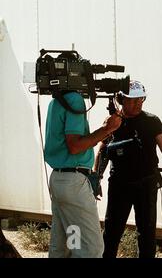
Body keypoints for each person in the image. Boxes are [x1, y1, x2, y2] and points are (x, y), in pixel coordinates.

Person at [100, 80, 162, 258]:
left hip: (146, 184)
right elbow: (103, 149)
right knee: (112, 232)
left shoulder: (151, 121)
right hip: (119, 184)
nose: (137, 104)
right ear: (121, 99)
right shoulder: (113, 122)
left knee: (146, 234)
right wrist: (95, 177)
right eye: (132, 100)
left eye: (141, 99)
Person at [45, 91, 122, 258]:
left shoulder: (56, 100)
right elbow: (75, 146)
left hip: (59, 180)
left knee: (66, 245)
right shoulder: (74, 99)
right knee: (91, 249)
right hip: (73, 184)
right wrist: (107, 129)